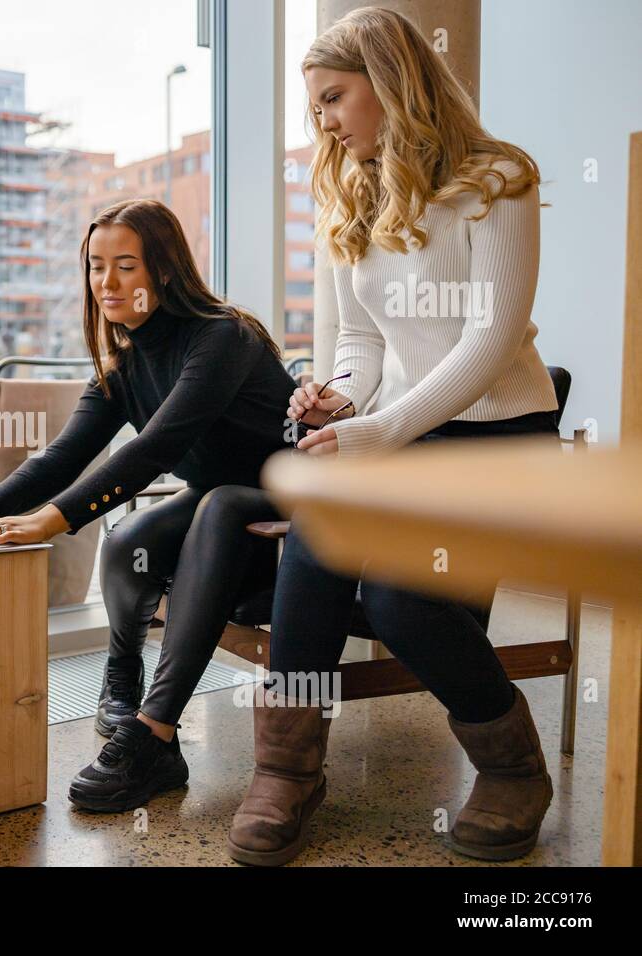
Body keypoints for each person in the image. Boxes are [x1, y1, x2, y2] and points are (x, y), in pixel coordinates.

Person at [227, 6, 561, 866]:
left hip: (498, 432)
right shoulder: (348, 187)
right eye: (317, 109)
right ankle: (288, 769)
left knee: (403, 600)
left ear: (392, 81)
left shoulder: (499, 181)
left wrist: (381, 429)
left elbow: (488, 343)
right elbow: (360, 344)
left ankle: (513, 766)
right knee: (317, 538)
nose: (326, 123)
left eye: (335, 98)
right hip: (400, 431)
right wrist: (334, 398)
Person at [0, 197, 297, 812]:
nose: (107, 282)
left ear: (166, 271)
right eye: (97, 266)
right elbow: (63, 455)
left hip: (289, 519)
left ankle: (156, 734)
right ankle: (121, 681)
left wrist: (52, 519)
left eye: (126, 265)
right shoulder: (122, 366)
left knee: (222, 502)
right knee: (130, 540)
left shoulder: (224, 337)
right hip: (219, 512)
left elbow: (155, 449)